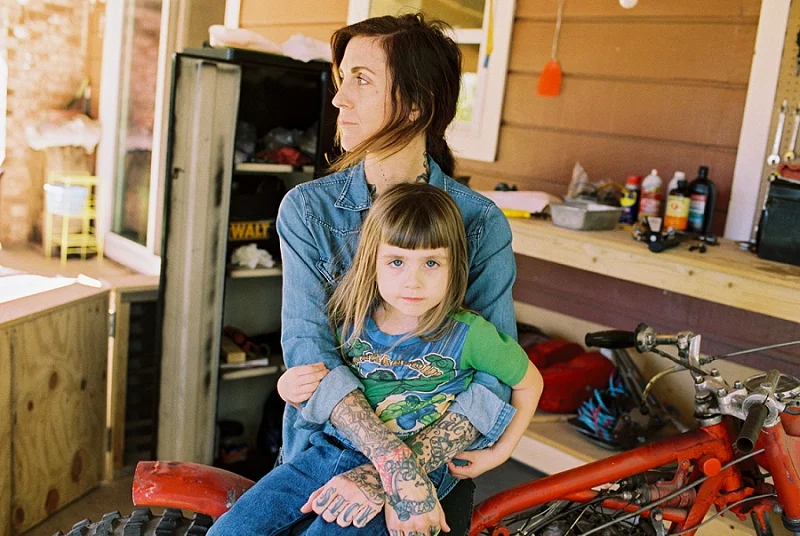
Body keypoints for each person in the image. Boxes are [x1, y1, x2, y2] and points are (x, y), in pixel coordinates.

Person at [273, 13, 519, 534]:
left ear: (416, 103)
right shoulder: (307, 211)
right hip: (320, 449)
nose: (339, 100)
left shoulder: (479, 223)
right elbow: (309, 353)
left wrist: (391, 474)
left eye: (361, 80)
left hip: (437, 457)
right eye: (343, 81)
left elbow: (495, 377)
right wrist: (391, 463)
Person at [209, 184, 543, 535]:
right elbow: (317, 381)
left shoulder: (471, 335)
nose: (412, 281)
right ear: (373, 262)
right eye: (397, 262)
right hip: (329, 451)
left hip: (422, 465)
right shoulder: (351, 320)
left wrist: (501, 452)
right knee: (233, 528)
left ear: (453, 266)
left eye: (431, 263)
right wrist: (288, 386)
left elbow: (529, 382)